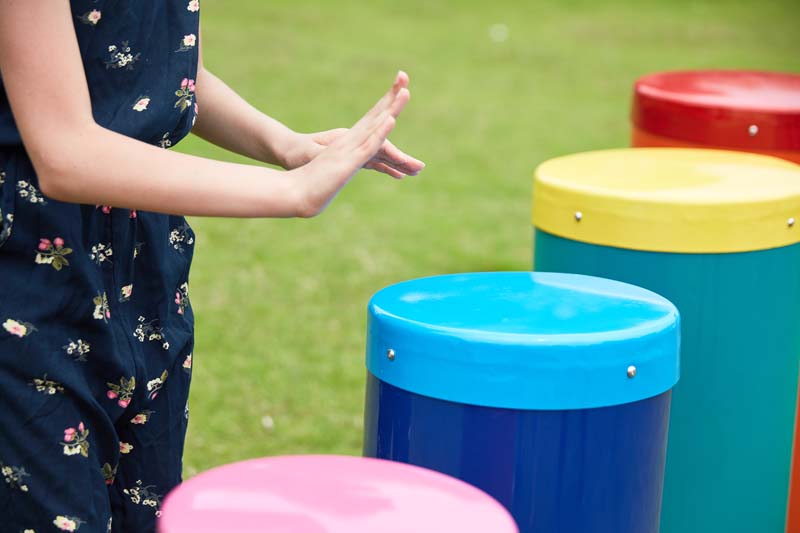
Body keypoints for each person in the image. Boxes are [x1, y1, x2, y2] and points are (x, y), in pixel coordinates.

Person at [0, 1, 424, 531]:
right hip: (33, 281)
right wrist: (292, 191)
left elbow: (171, 68)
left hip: (148, 272)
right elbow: (65, 153)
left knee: (149, 513)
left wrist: (287, 145)